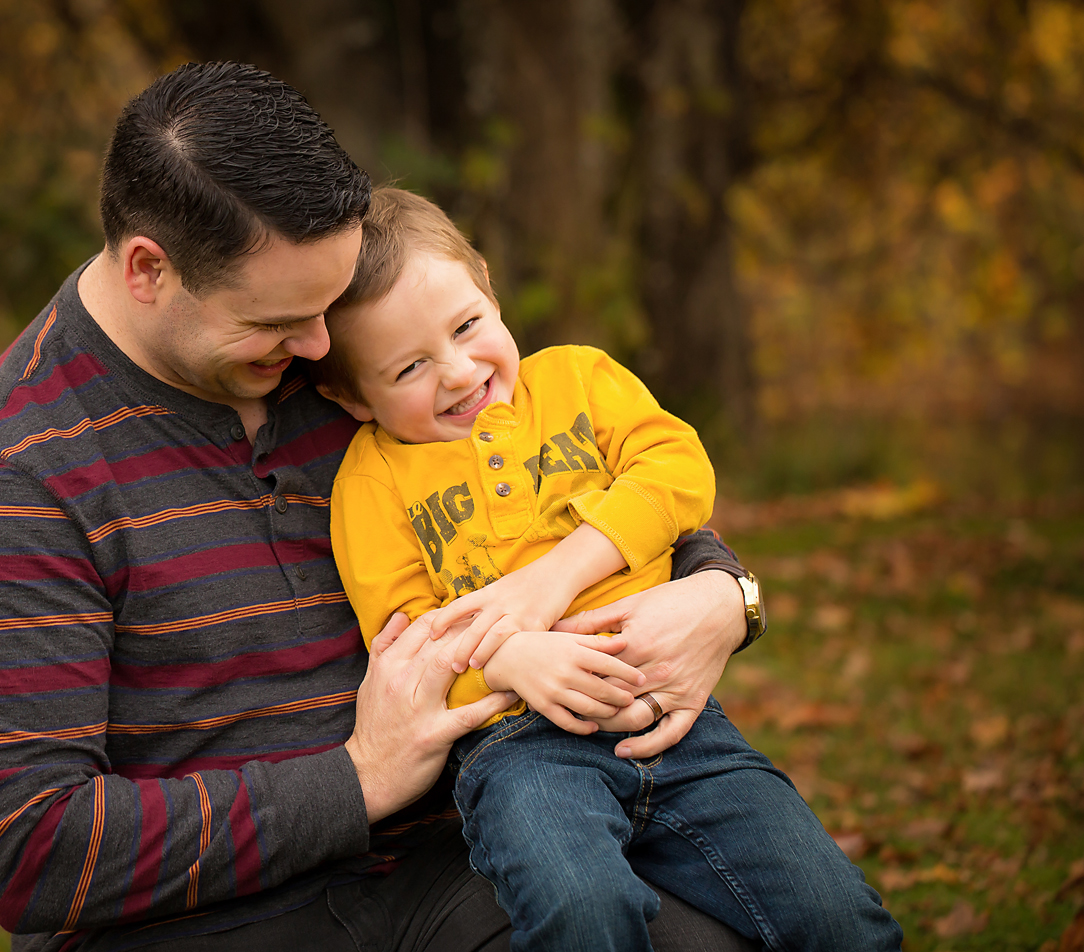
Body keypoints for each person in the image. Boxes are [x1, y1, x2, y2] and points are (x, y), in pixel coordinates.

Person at [0, 62, 767, 952]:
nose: (319, 345)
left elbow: (583, 497)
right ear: (148, 270)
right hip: (199, 924)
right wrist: (358, 780)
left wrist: (722, 595)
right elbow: (37, 852)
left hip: (452, 866)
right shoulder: (11, 468)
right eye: (280, 320)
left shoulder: (362, 367)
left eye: (328, 304)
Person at [311, 187, 904, 950]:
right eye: (410, 368)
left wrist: (559, 575)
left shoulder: (579, 383)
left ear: (489, 287)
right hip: (524, 752)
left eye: (467, 327)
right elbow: (407, 643)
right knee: (583, 913)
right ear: (353, 397)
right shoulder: (373, 480)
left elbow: (677, 471)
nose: (458, 373)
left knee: (837, 918)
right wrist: (510, 658)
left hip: (680, 728)